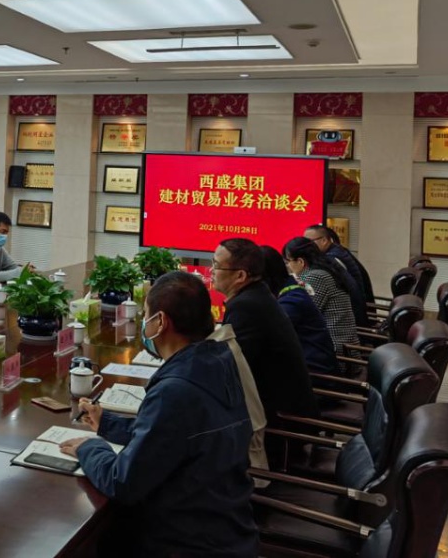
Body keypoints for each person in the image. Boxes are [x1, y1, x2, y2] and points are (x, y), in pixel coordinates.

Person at [60, 272, 258, 558]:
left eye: (146, 315)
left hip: (186, 542)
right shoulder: (217, 361)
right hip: (227, 526)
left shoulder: (175, 390)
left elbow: (123, 482)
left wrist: (90, 448)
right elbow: (174, 435)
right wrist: (108, 424)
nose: (144, 322)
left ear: (161, 321)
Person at [212, 238, 318, 421]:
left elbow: (230, 367)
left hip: (281, 420)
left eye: (216, 265)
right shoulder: (256, 295)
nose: (211, 270)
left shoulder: (246, 306)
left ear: (240, 276)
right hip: (274, 405)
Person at [261, 245, 339, 377]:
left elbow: (268, 340)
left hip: (315, 376)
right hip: (308, 367)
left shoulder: (292, 300)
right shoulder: (291, 289)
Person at [282, 237, 359, 359]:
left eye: (288, 262)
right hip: (337, 345)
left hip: (334, 351)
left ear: (300, 262)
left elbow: (302, 315)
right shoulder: (324, 269)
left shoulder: (315, 277)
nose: (288, 266)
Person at [305, 224, 373, 320]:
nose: (305, 246)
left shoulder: (332, 259)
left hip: (350, 317)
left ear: (324, 240)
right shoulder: (338, 251)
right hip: (353, 312)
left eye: (309, 242)